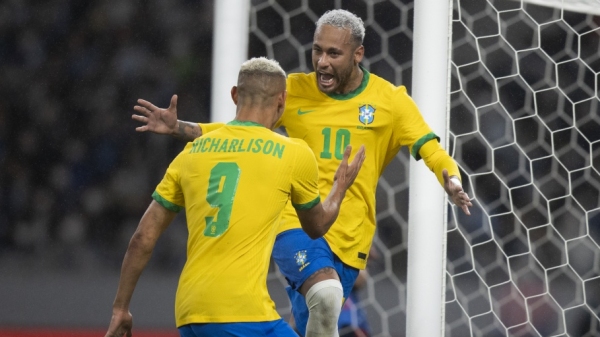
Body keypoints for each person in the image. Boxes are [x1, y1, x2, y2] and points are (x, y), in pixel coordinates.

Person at [132, 9, 472, 337]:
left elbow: (430, 147)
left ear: (358, 54)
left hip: (350, 239)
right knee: (325, 294)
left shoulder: (391, 101)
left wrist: (451, 179)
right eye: (317, 51)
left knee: (317, 319)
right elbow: (238, 131)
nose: (322, 62)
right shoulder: (293, 91)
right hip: (296, 225)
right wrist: (181, 129)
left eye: (334, 53)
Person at [104, 57, 366, 337]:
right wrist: (340, 187)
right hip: (245, 314)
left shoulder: (190, 154)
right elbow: (316, 227)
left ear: (234, 95)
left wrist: (121, 308)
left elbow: (142, 238)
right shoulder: (293, 153)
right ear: (282, 100)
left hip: (190, 314)